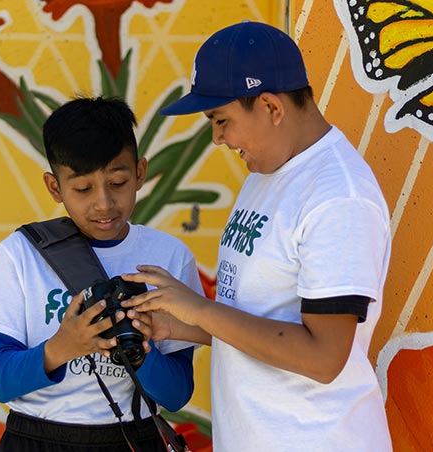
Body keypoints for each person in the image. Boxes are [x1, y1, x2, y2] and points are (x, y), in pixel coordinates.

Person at [121, 21, 394, 451]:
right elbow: (262, 319)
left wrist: (199, 309)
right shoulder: (269, 172)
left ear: (270, 106)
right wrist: (178, 324)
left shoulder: (338, 197)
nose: (217, 138)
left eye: (221, 120)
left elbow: (324, 358)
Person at [0, 96, 204, 451]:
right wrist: (63, 347)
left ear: (140, 173)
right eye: (83, 189)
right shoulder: (22, 253)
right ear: (54, 187)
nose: (103, 203)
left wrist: (140, 351)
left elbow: (177, 393)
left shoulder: (169, 256)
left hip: (131, 439)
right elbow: (0, 381)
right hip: (36, 439)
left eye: (118, 183)